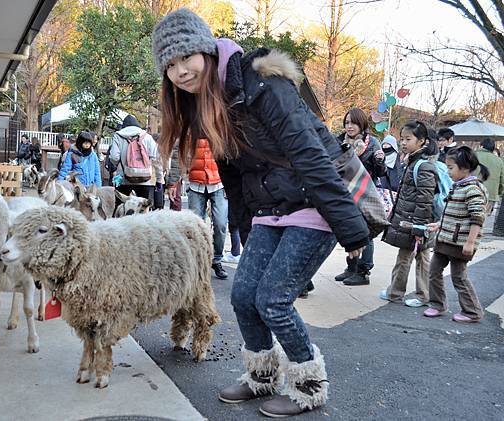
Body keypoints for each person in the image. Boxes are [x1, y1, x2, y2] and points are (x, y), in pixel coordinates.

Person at [151, 9, 369, 417]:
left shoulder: (259, 79)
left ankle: (308, 386)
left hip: (313, 200)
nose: (180, 71)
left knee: (273, 300)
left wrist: (350, 230)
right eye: (170, 65)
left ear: (205, 50)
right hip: (270, 207)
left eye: (186, 58)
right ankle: (261, 377)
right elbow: (232, 175)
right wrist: (246, 227)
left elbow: (308, 150)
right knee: (242, 295)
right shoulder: (203, 103)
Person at [424, 146, 489, 322]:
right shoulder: (459, 186)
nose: (448, 171)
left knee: (459, 277)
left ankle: (472, 311)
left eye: (451, 168)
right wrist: (438, 225)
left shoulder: (473, 189)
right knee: (434, 271)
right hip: (445, 240)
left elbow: (477, 217)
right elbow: (455, 214)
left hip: (460, 243)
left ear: (465, 168)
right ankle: (437, 304)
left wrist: (470, 242)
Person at [381, 121, 438, 308]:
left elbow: (424, 200)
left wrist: (419, 228)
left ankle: (396, 293)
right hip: (417, 222)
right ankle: (423, 295)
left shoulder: (422, 166)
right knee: (422, 257)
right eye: (401, 139)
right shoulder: (414, 162)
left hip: (415, 223)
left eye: (408, 139)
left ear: (422, 141)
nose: (403, 143)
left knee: (405, 257)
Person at [335, 108, 386, 286]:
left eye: (353, 122)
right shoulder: (339, 141)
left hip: (364, 192)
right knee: (350, 229)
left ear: (361, 124)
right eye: (347, 122)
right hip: (344, 192)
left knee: (365, 231)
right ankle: (351, 267)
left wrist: (380, 161)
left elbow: (381, 172)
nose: (349, 126)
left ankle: (363, 271)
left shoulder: (372, 143)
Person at [187, 138, 229, 279]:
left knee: (221, 223)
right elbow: (178, 154)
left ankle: (216, 259)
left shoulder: (220, 128)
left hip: (219, 183)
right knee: (194, 227)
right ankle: (197, 261)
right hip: (195, 184)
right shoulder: (190, 128)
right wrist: (173, 182)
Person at [108, 115, 164, 203]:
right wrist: (159, 179)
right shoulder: (147, 137)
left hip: (123, 179)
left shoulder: (118, 136)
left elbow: (114, 157)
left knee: (121, 206)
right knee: (143, 208)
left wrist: (118, 165)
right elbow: (156, 160)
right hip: (145, 179)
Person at [475, 138, 504, 215]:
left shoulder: (473, 156)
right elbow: (502, 181)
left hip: (473, 191)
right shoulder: (499, 161)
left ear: (481, 146)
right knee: (482, 218)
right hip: (490, 195)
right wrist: (498, 193)